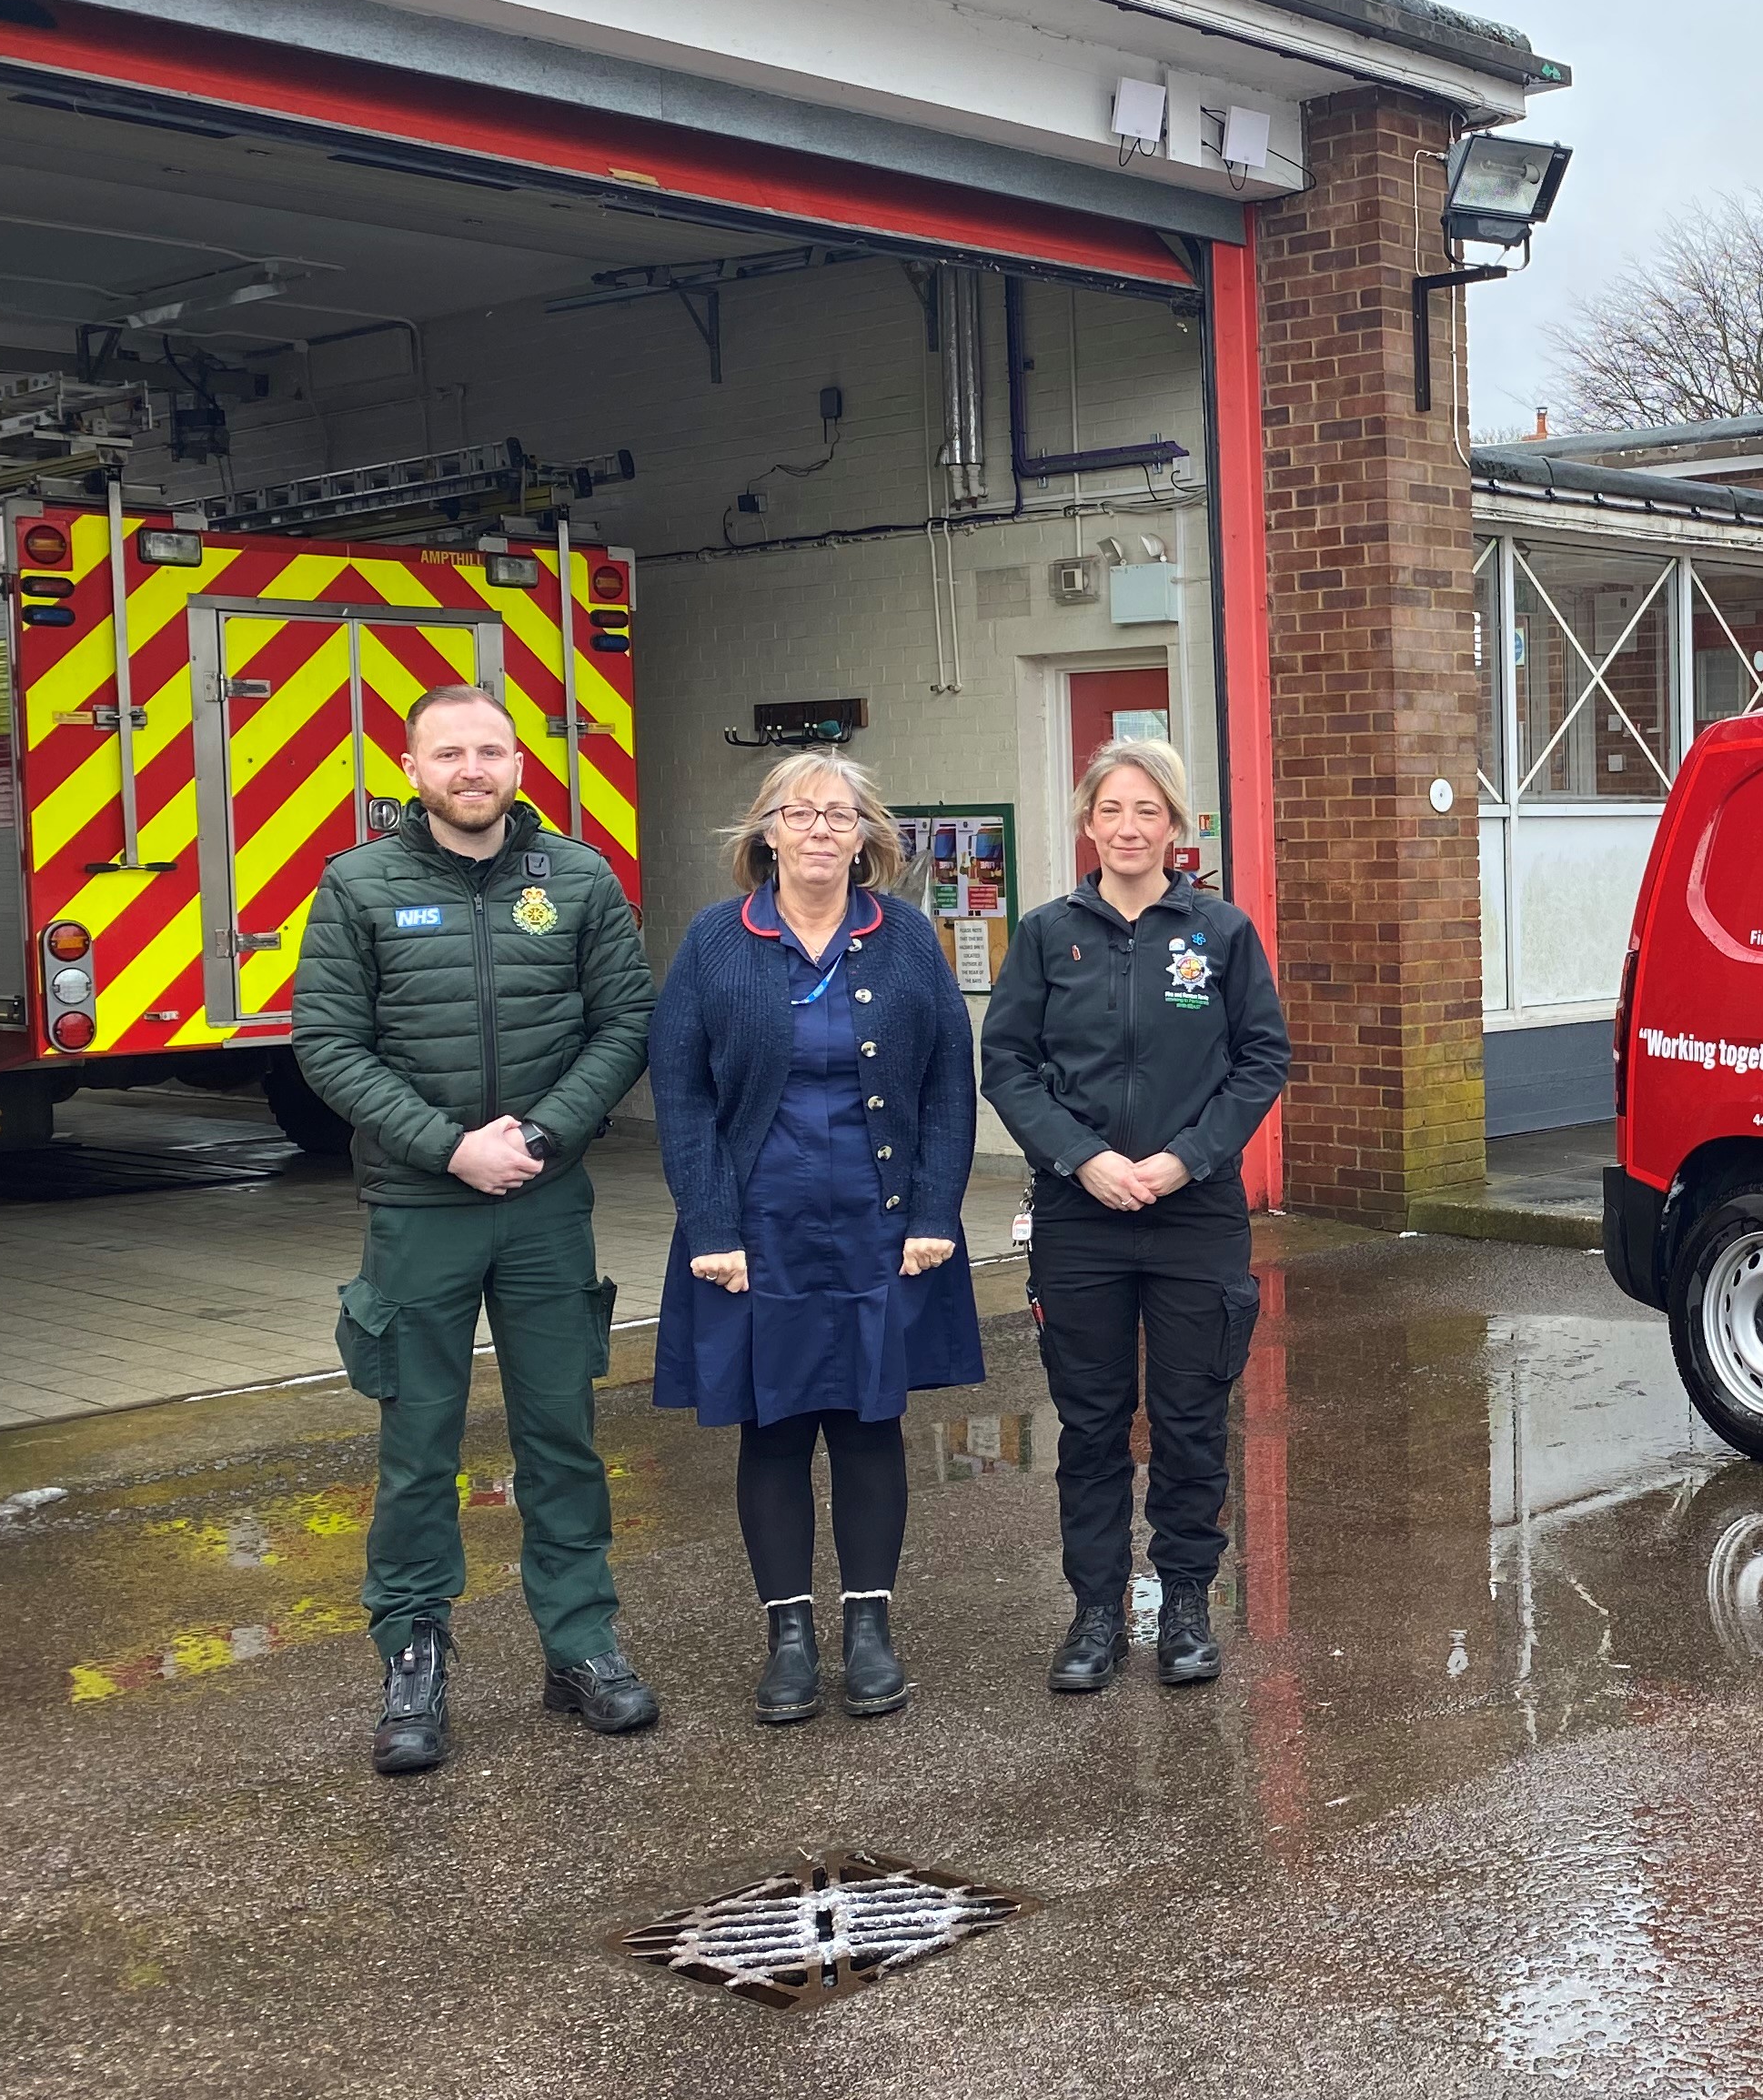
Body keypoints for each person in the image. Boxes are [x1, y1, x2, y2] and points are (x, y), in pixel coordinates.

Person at [293, 681, 658, 1778]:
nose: (471, 770)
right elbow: (328, 1044)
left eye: (490, 751)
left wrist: (542, 1135)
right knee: (418, 1453)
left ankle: (581, 1644)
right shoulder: (358, 885)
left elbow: (625, 1019)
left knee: (562, 1436)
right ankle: (414, 1660)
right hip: (419, 1208)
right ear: (411, 769)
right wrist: (451, 1147)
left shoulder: (580, 879)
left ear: (517, 764)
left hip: (546, 1206)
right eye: (448, 753)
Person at [648, 752, 983, 1723]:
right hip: (760, 1234)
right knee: (778, 1427)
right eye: (801, 814)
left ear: (868, 838)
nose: (821, 832)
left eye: (842, 817)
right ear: (765, 832)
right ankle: (789, 1636)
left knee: (872, 1426)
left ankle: (870, 1629)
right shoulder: (716, 943)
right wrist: (710, 1224)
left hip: (879, 1231)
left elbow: (945, 1090)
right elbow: (681, 1093)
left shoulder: (908, 940)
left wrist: (933, 1212)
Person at [982, 737, 1287, 1693]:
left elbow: (1260, 1061)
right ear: (1087, 822)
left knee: (1193, 1417)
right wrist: (1085, 1159)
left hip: (1194, 1215)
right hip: (1082, 1219)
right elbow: (1010, 1067)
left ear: (1179, 826)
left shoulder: (1221, 934)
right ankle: (1095, 1612)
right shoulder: (1044, 935)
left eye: (1147, 810)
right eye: (1111, 810)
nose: (1127, 828)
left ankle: (1188, 1602)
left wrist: (1182, 1159)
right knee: (1092, 1421)